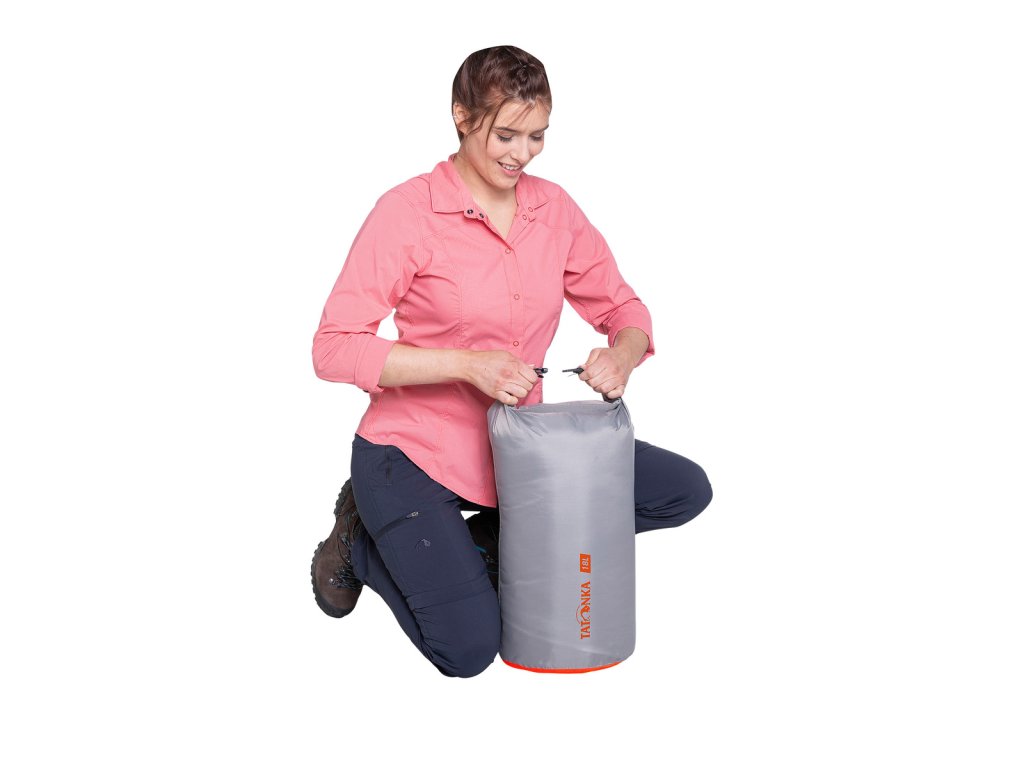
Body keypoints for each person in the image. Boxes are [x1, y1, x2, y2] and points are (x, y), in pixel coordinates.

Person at [309, 45, 713, 677]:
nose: (522, 154)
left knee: (683, 490)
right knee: (469, 651)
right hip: (412, 454)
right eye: (506, 135)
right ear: (462, 116)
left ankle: (480, 549)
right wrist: (467, 365)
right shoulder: (408, 212)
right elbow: (334, 347)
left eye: (537, 136)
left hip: (519, 450)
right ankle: (360, 539)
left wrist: (623, 354)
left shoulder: (553, 209)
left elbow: (625, 309)